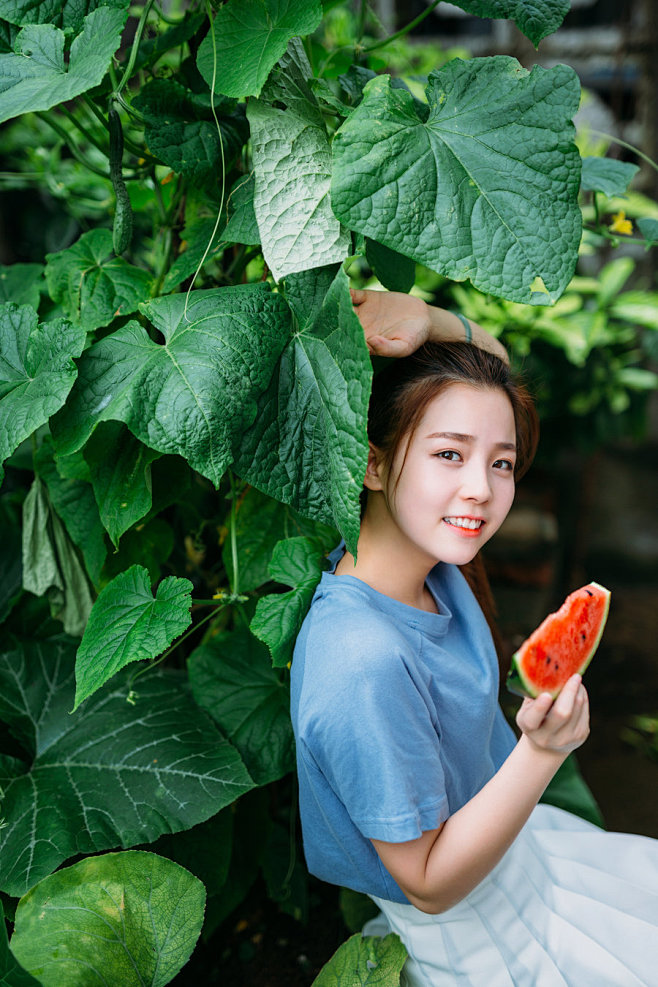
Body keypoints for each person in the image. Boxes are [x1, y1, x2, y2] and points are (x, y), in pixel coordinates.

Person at [290, 289, 658, 986]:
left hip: (530, 862)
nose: (482, 492)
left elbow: (489, 383)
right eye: (449, 455)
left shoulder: (411, 560)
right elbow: (428, 881)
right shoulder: (361, 660)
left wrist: (431, 324)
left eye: (500, 463)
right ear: (371, 464)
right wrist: (543, 750)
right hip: (487, 939)